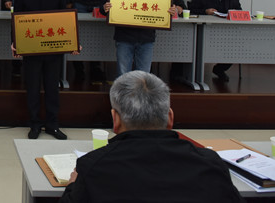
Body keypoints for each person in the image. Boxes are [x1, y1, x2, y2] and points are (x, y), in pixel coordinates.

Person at [60, 71, 243, 203]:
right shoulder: (210, 164)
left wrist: (73, 186)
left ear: (115, 120)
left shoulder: (93, 167)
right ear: (170, 117)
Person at [11, 0, 77, 140]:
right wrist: (15, 42)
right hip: (31, 49)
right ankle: (34, 124)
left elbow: (64, 19)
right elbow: (16, 19)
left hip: (52, 49)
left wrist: (72, 42)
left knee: (52, 88)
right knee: (32, 88)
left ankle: (52, 125)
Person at [189, 0, 242, 82]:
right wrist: (205, 12)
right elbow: (191, 11)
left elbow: (239, 13)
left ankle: (219, 69)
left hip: (227, 33)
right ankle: (195, 73)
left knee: (236, 48)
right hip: (205, 34)